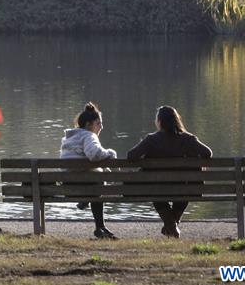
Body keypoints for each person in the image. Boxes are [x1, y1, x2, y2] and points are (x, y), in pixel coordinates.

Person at [127, 106, 212, 239]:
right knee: (184, 191)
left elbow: (131, 156)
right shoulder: (188, 139)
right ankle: (172, 225)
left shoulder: (151, 139)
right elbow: (208, 153)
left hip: (158, 190)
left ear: (159, 121)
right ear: (176, 121)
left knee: (156, 194)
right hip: (185, 189)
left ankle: (171, 226)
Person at [60, 102, 118, 239]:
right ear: (88, 125)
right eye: (98, 123)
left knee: (99, 176)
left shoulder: (68, 139)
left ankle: (89, 209)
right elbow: (94, 154)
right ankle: (100, 227)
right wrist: (110, 153)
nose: (101, 127)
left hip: (67, 186)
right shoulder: (89, 136)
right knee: (100, 182)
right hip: (86, 186)